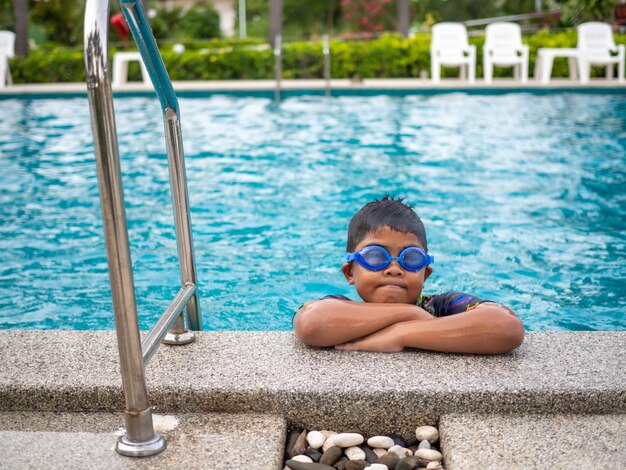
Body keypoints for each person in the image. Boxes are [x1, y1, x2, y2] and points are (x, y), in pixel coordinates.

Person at [293, 196, 525, 354]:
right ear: (350, 272)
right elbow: (312, 323)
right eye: (376, 257)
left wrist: (401, 334)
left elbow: (507, 327)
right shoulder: (343, 308)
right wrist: (411, 312)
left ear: (425, 274)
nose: (394, 268)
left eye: (411, 258)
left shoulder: (442, 306)